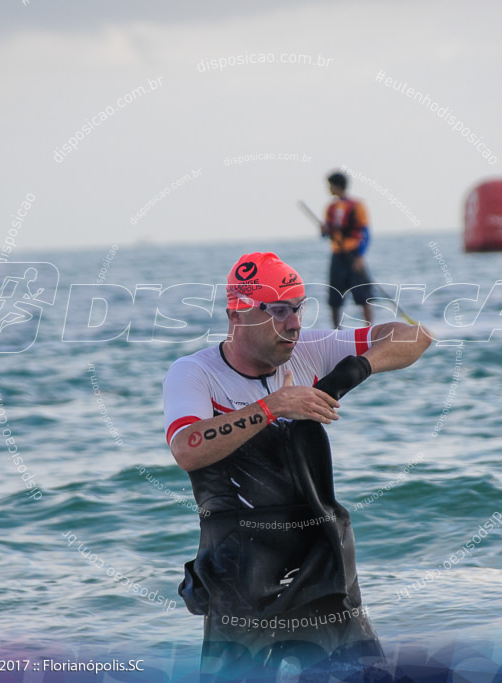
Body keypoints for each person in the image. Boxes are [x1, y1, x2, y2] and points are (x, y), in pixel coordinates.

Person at [163, 253, 432, 680]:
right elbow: (187, 449)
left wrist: (350, 372)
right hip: (240, 583)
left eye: (300, 307)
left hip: (322, 570)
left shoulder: (309, 351)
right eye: (280, 310)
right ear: (238, 313)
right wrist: (274, 407)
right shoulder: (195, 374)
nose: (294, 323)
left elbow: (415, 336)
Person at [322, 171, 375, 329]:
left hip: (353, 253)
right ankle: (337, 331)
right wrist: (325, 230)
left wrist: (360, 256)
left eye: (330, 185)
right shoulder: (330, 207)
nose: (329, 188)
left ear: (337, 186)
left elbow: (365, 232)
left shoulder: (357, 205)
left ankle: (368, 329)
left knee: (363, 295)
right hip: (338, 254)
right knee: (335, 296)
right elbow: (325, 233)